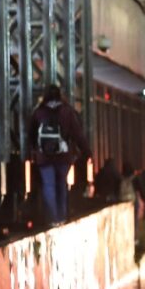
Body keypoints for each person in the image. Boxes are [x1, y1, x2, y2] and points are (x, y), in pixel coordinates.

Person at [28, 85, 89, 226]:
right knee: (61, 185)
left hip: (44, 158)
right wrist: (87, 152)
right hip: (64, 157)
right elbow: (78, 134)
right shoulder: (67, 112)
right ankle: (61, 217)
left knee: (48, 186)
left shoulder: (39, 112)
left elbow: (30, 134)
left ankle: (52, 219)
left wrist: (34, 152)